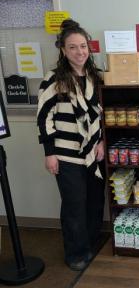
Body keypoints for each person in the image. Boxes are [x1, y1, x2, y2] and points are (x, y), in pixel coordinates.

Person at [37, 19, 105, 271]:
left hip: (94, 154)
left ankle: (91, 244)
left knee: (95, 203)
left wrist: (102, 143)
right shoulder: (54, 79)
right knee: (74, 206)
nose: (80, 52)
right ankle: (76, 253)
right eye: (73, 47)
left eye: (83, 46)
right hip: (66, 157)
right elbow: (43, 118)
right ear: (63, 51)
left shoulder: (95, 78)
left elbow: (102, 115)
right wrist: (49, 154)